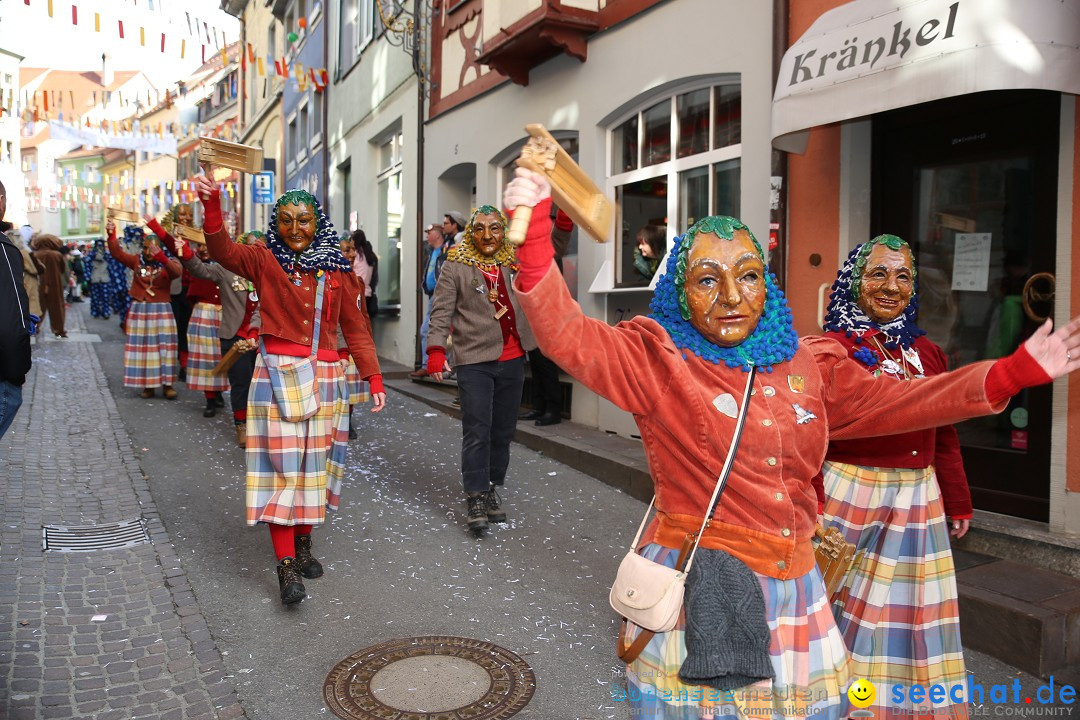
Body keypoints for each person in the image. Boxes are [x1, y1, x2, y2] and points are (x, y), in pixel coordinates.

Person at [503, 167, 1080, 719]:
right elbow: (567, 335)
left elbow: (904, 402)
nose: (732, 294)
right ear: (681, 291)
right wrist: (532, 237)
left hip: (799, 585)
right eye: (708, 279)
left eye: (749, 274)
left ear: (766, 283)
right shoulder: (656, 359)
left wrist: (1011, 373)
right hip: (708, 582)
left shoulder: (807, 363)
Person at [195, 166, 386, 606]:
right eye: (287, 220)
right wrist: (211, 205)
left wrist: (373, 375)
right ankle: (285, 567)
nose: (296, 229)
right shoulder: (262, 259)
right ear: (275, 223)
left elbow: (356, 330)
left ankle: (303, 543)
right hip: (276, 375)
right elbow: (221, 249)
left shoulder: (340, 273)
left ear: (317, 222)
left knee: (312, 468)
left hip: (326, 378)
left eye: (305, 220)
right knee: (282, 469)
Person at [811, 234, 972, 718]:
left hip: (919, 499)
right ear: (853, 281)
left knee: (910, 613)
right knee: (838, 607)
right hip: (849, 494)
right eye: (878, 273)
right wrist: (809, 500)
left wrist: (958, 498)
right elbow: (807, 435)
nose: (890, 286)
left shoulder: (928, 353)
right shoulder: (829, 350)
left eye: (903, 276)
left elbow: (943, 435)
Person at [425, 204, 537, 535]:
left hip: (513, 358)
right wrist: (434, 350)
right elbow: (441, 310)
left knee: (502, 431)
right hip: (474, 358)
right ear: (471, 232)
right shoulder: (456, 264)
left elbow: (552, 251)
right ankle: (475, 495)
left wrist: (560, 223)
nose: (487, 236)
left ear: (503, 231)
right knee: (478, 429)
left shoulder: (512, 258)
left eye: (495, 228)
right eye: (480, 229)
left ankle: (490, 486)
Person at [145, 216, 228, 417]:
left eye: (208, 245)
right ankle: (210, 397)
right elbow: (175, 247)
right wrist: (155, 227)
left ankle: (218, 392)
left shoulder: (226, 260)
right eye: (201, 245)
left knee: (223, 357)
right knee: (206, 357)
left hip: (226, 314)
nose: (205, 249)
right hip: (203, 313)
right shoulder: (194, 261)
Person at [106, 221, 182, 399]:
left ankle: (167, 385)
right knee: (143, 349)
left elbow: (177, 273)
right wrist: (111, 235)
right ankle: (148, 385)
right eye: (146, 248)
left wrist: (162, 257)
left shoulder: (168, 262)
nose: (149, 253)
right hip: (140, 309)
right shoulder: (136, 261)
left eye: (153, 249)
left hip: (162, 309)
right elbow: (117, 254)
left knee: (166, 348)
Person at [520, 207, 574, 426]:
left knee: (546, 361)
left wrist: (563, 205)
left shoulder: (550, 240)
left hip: (547, 309)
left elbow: (563, 230)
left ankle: (553, 408)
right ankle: (538, 405)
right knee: (534, 360)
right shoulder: (529, 243)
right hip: (531, 308)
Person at [0, 179, 33, 439]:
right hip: (3, 364)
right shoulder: (4, 248)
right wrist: (16, 369)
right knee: (9, 400)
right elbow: (11, 317)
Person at [411, 222, 448, 378]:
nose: (426, 235)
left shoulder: (445, 250)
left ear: (437, 234)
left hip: (441, 295)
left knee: (429, 329)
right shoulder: (433, 251)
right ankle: (430, 364)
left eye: (429, 232)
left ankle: (435, 365)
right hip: (433, 295)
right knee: (427, 329)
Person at [164, 204, 196, 381]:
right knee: (178, 330)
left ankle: (188, 364)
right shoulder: (168, 236)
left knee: (191, 331)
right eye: (183, 214)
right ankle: (181, 364)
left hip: (194, 290)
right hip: (175, 291)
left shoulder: (197, 234)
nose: (186, 217)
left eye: (189, 214)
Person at [30, 233, 68, 338]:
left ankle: (35, 327)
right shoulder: (57, 255)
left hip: (39, 284)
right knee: (57, 308)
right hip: (55, 285)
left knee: (38, 307)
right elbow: (62, 269)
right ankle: (59, 330)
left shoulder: (35, 254)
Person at [85, 237, 128, 320]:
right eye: (98, 246)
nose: (99, 248)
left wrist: (113, 278)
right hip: (95, 279)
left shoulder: (107, 255)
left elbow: (112, 266)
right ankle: (96, 312)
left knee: (106, 298)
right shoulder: (91, 255)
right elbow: (87, 265)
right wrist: (88, 277)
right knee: (95, 297)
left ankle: (106, 312)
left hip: (105, 279)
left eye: (101, 246)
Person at [350, 229, 378, 323]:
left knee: (357, 324)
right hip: (368, 293)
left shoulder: (357, 255)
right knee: (366, 323)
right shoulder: (370, 255)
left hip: (358, 292)